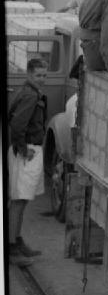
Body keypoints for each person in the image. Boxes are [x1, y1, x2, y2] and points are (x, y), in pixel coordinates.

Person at [7, 57, 48, 266]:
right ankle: (11, 248)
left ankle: (17, 240)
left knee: (22, 200)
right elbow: (17, 125)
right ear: (29, 74)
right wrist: (23, 149)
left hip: (28, 150)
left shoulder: (28, 92)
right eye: (38, 75)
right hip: (26, 152)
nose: (42, 79)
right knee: (18, 201)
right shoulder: (30, 95)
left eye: (44, 75)